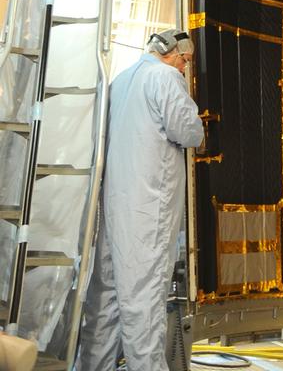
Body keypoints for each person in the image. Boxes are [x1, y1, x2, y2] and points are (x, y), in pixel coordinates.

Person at [76, 28, 204, 371]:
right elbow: (189, 131)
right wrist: (199, 121)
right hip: (149, 212)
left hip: (114, 209)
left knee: (105, 301)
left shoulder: (121, 80)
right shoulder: (165, 78)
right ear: (171, 53)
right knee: (143, 306)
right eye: (185, 61)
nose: (184, 69)